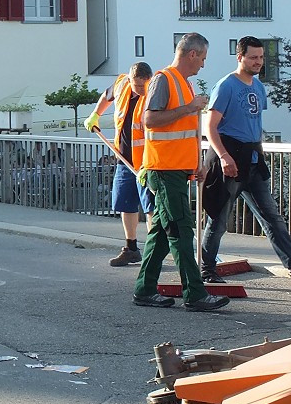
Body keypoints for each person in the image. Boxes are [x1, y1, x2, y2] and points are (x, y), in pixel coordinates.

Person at [200, 36, 291, 287]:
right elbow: (210, 126)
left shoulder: (258, 87)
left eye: (261, 57)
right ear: (240, 57)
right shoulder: (226, 86)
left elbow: (252, 124)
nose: (259, 62)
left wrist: (257, 153)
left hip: (253, 160)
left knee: (271, 215)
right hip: (229, 156)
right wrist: (224, 157)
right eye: (253, 57)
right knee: (219, 218)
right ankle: (206, 269)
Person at [133, 33, 230, 312]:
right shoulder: (165, 79)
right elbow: (150, 120)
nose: (202, 64)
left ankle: (145, 289)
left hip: (174, 169)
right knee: (181, 230)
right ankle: (195, 294)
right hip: (163, 170)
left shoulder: (183, 83)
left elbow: (183, 133)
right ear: (192, 54)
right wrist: (189, 108)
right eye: (202, 58)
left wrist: (194, 166)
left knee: (163, 234)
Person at [84, 62, 154, 266]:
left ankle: (152, 253)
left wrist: (149, 165)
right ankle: (131, 248)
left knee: (150, 208)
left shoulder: (154, 94)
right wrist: (95, 114)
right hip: (124, 160)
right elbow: (106, 96)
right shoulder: (123, 84)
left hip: (146, 163)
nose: (139, 90)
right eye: (136, 85)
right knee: (126, 204)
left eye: (143, 86)